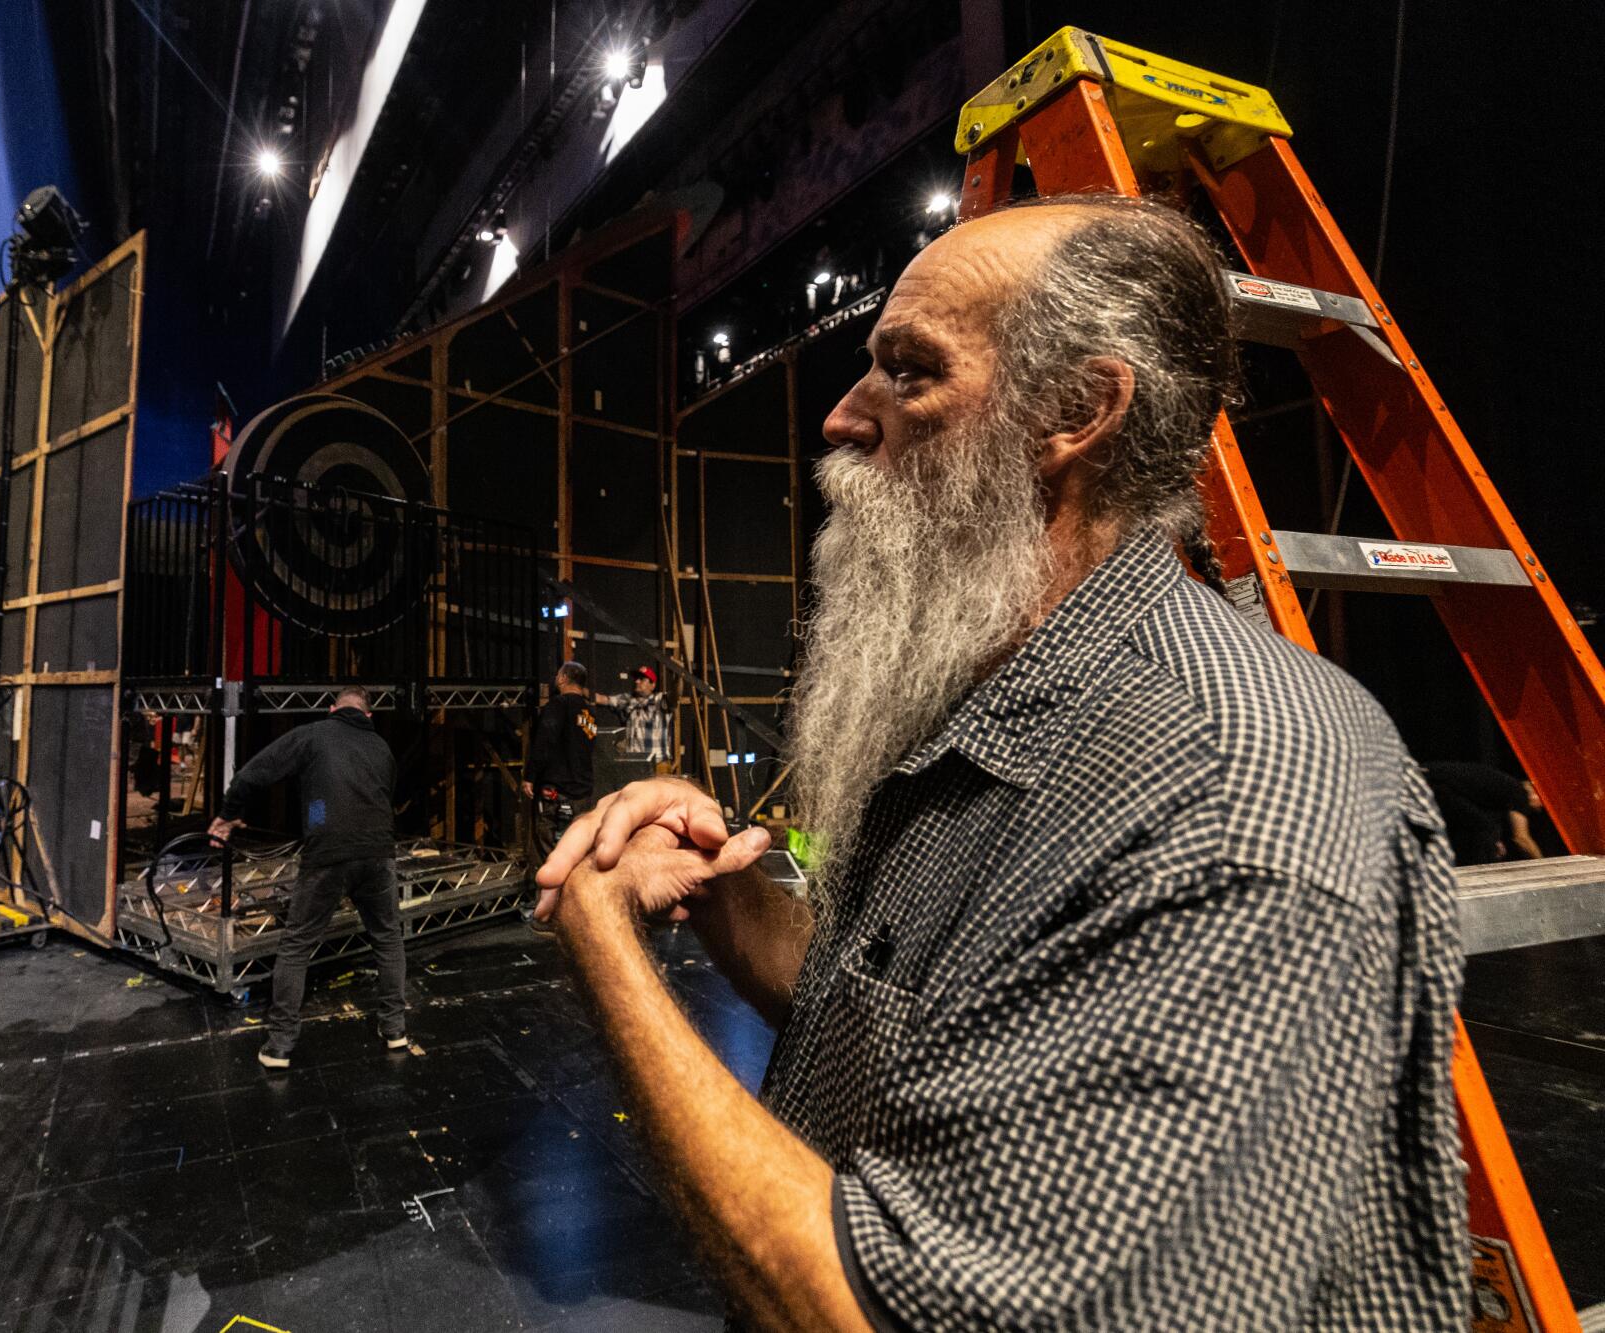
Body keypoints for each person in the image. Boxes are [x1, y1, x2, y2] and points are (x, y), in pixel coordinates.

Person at [534, 196, 1467, 1328]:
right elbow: (886, 1008)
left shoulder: (1226, 791)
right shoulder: (981, 694)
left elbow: (887, 1311)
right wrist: (726, 901)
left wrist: (602, 946)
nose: (839, 418)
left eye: (907, 373)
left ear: (1074, 410)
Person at [208, 685, 405, 1070]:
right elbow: (387, 796)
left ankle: (280, 1044)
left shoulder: (313, 734)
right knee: (387, 938)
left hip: (328, 855)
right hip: (378, 854)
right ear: (369, 716)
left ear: (333, 709)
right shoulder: (381, 747)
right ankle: (395, 1028)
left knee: (297, 945)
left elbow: (252, 773)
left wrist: (229, 814)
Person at [522, 661, 598, 868]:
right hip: (582, 794)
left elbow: (544, 741)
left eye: (558, 675)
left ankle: (553, 896)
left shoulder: (558, 705)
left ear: (564, 679)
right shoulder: (589, 712)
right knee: (577, 849)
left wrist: (530, 776)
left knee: (549, 851)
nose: (556, 678)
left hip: (557, 791)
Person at [1424, 759, 1544, 864]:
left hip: (1426, 777)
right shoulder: (1520, 793)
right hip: (1432, 782)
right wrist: (1544, 865)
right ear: (1535, 792)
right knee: (1484, 830)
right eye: (1542, 803)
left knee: (1483, 830)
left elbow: (1483, 816)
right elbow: (1521, 838)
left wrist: (1493, 842)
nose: (1540, 808)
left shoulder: (1504, 789)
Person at [599, 665, 672, 773]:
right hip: (635, 763)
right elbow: (603, 699)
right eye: (636, 678)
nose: (637, 681)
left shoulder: (660, 700)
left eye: (642, 679)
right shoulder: (628, 699)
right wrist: (577, 689)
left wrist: (678, 680)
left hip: (657, 763)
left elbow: (675, 696)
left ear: (652, 685)